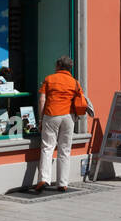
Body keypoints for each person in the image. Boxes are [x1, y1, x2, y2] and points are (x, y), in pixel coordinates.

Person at [35, 55, 86, 192]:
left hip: (51, 114)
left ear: (58, 66)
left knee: (47, 147)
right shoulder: (75, 82)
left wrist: (40, 119)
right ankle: (62, 183)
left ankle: (43, 179)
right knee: (65, 149)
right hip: (69, 117)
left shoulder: (49, 79)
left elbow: (42, 100)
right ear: (70, 67)